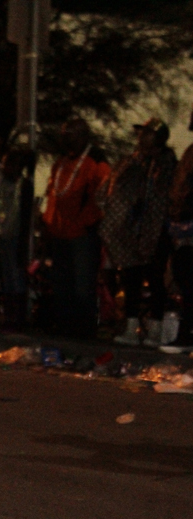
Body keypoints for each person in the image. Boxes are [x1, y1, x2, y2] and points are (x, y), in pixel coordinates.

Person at [100, 118, 176, 347]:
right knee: (131, 277)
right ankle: (131, 328)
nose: (141, 137)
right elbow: (110, 189)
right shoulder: (130, 162)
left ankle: (155, 329)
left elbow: (167, 197)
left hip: (158, 229)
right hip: (130, 228)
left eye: (147, 133)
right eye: (141, 133)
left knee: (155, 278)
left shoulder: (168, 165)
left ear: (158, 138)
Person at [42, 118, 110, 338]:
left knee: (82, 285)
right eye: (64, 134)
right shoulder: (61, 163)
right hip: (59, 233)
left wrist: (87, 223)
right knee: (62, 283)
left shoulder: (96, 163)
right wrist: (48, 224)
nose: (66, 139)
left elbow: (103, 199)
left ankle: (84, 329)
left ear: (83, 136)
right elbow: (53, 196)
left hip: (82, 235)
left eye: (70, 134)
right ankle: (65, 325)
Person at [162, 107, 193, 353]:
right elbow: (178, 190)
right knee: (185, 280)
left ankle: (186, 334)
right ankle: (185, 333)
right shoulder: (190, 153)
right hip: (185, 228)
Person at [0, 147, 34, 330]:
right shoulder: (3, 184)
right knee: (8, 276)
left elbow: (25, 218)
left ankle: (18, 317)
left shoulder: (23, 186)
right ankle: (10, 316)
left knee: (16, 276)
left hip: (16, 236)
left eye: (7, 164)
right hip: (3, 234)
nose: (4, 167)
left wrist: (23, 245)